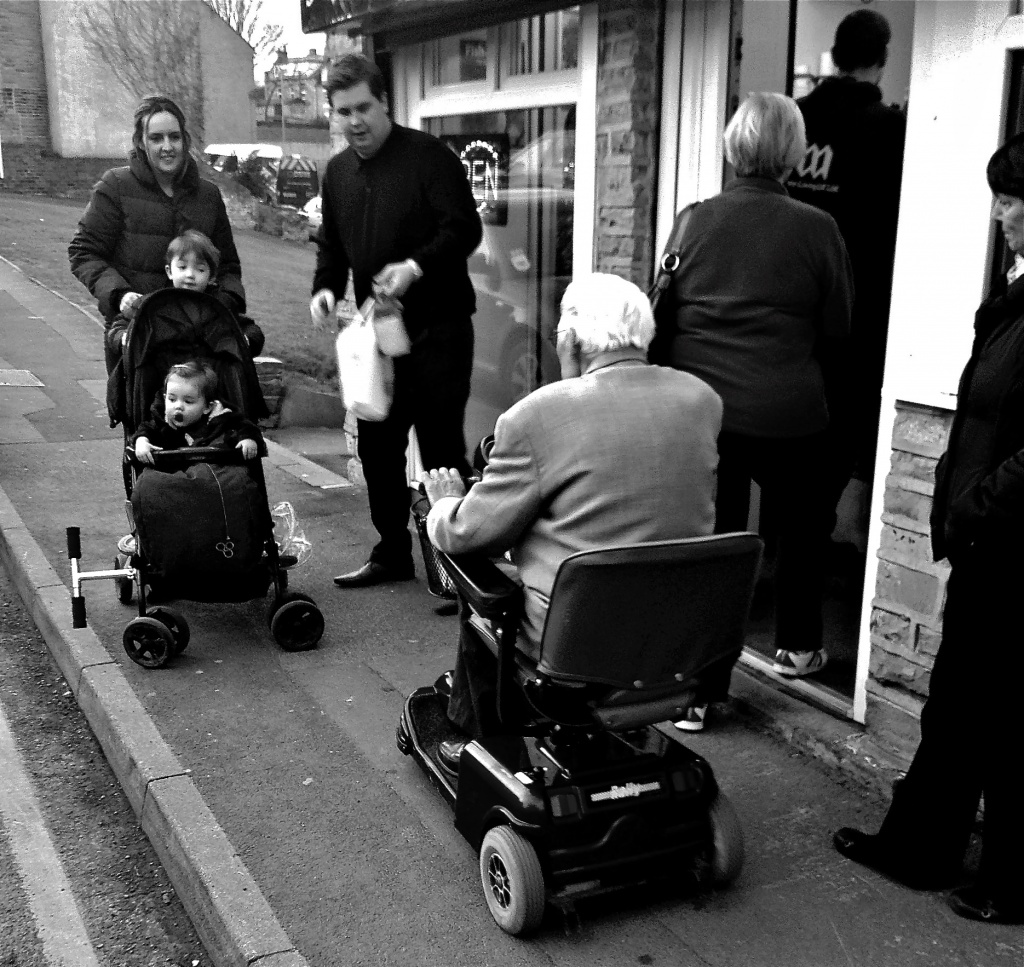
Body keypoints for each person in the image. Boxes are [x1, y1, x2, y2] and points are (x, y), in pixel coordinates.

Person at [832, 135, 1024, 926]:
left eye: (1013, 200)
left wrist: (974, 502)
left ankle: (1004, 879)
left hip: (1011, 540)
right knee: (962, 702)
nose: (1001, 214)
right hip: (990, 539)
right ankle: (921, 846)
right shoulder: (1016, 289)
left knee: (1002, 710)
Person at [420, 273, 723, 768]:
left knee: (479, 590)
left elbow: (466, 531)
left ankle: (473, 738)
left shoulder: (535, 416)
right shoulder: (701, 400)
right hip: (677, 636)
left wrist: (443, 502)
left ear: (573, 340)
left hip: (575, 643)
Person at [653, 92, 853, 727]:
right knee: (801, 528)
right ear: (793, 154)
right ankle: (796, 646)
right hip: (791, 413)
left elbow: (664, 304)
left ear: (733, 148)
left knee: (717, 550)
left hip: (706, 411)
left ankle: (699, 694)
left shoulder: (693, 220)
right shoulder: (817, 228)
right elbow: (839, 325)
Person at [310, 53, 483, 590]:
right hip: (378, 341)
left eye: (363, 107)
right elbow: (333, 246)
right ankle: (391, 552)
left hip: (440, 330)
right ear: (333, 114)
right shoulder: (337, 172)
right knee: (377, 449)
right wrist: (322, 288)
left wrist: (415, 266)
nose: (354, 121)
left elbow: (465, 230)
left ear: (384, 102)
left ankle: (454, 567)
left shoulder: (430, 158)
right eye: (343, 111)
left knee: (440, 448)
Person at [787, 9, 906, 525]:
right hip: (855, 320)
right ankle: (823, 540)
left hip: (789, 315)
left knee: (786, 453)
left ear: (834, 57)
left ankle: (774, 548)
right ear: (881, 62)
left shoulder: (795, 119)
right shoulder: (889, 130)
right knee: (832, 450)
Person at [69, 94, 263, 374]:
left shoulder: (207, 196)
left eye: (174, 137)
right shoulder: (116, 187)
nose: (167, 147)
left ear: (185, 140)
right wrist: (119, 295)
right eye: (156, 138)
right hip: (138, 339)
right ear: (140, 142)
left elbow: (228, 267)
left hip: (199, 348)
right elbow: (83, 252)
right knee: (144, 417)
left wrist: (220, 306)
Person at [131, 360, 264, 465]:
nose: (178, 406)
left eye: (188, 402)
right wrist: (142, 442)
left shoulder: (221, 420)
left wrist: (248, 439)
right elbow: (144, 431)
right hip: (173, 479)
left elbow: (246, 427)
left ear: (207, 407)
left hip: (212, 478)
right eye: (172, 399)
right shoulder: (161, 424)